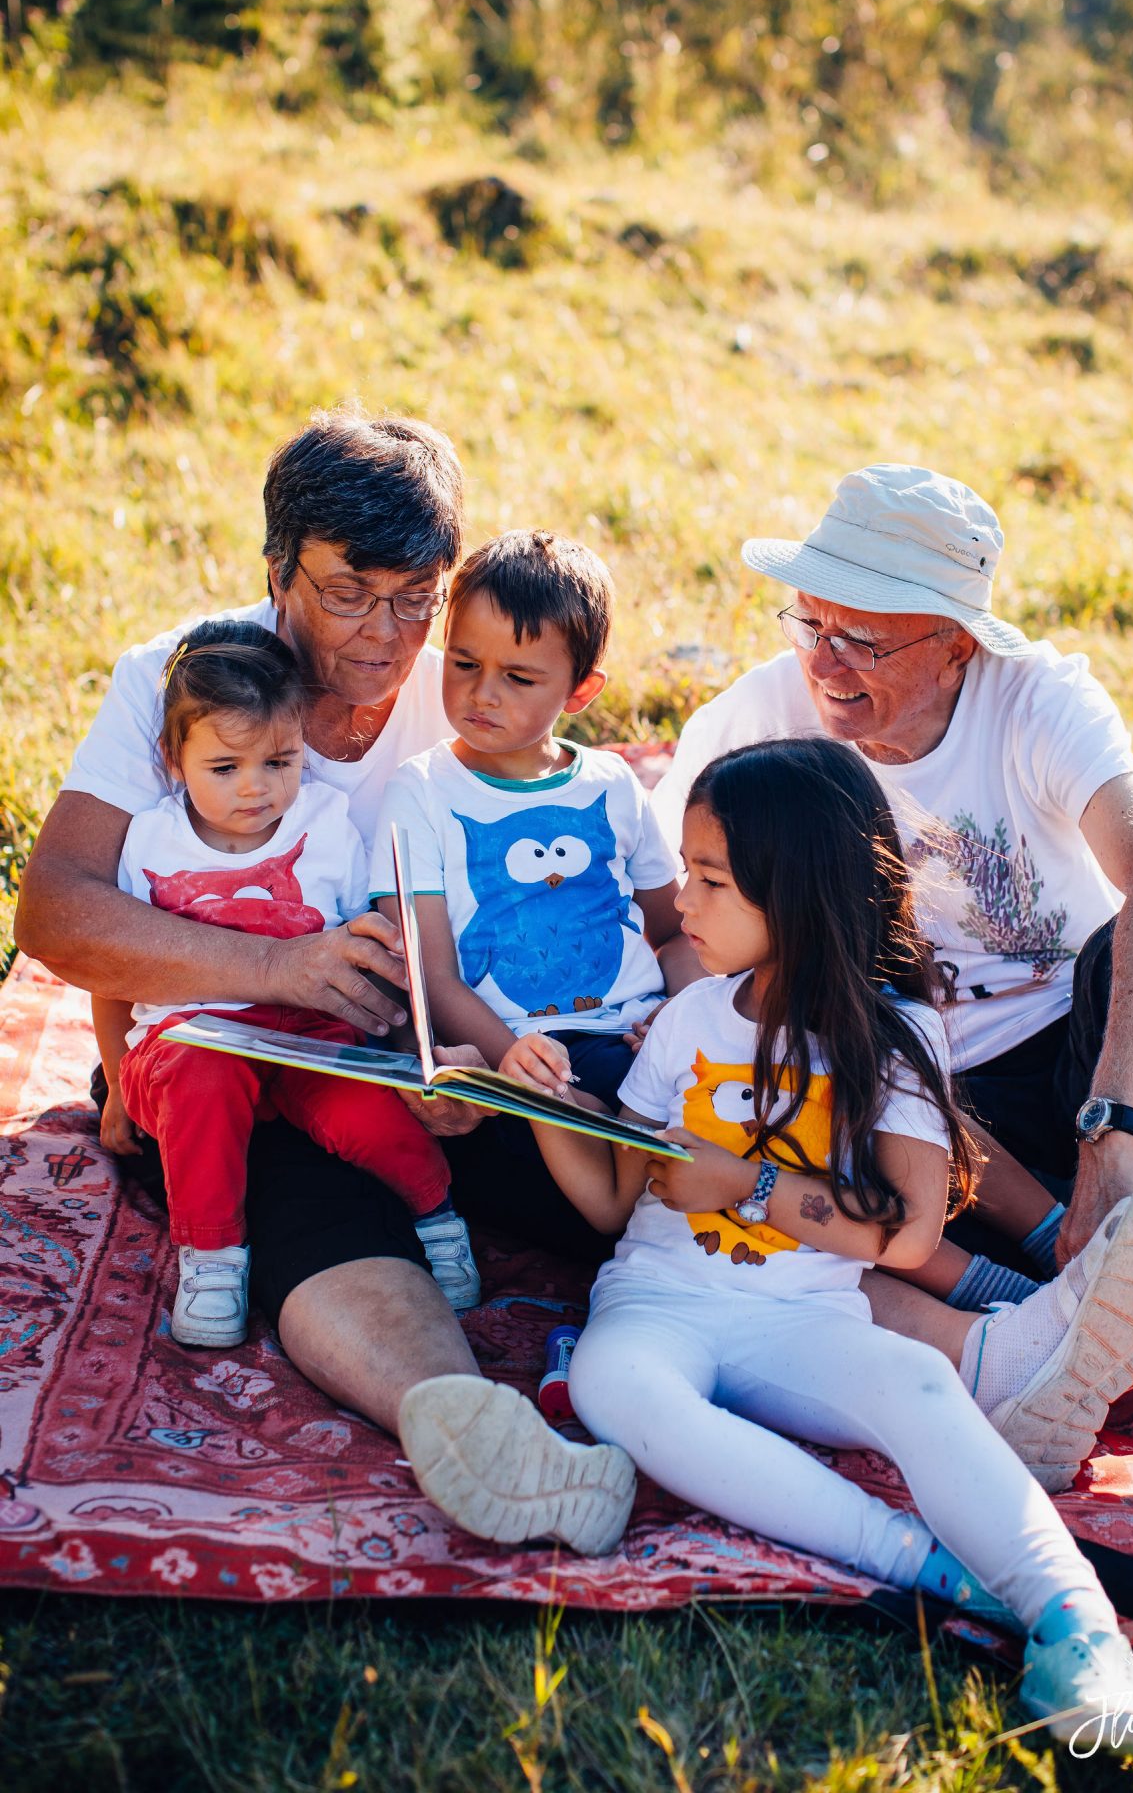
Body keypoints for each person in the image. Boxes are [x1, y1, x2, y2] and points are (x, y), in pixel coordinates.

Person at [652, 463, 1133, 1530]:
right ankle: (1087, 1307)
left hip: (1081, 1061)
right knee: (823, 1183)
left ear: (958, 641)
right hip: (886, 1079)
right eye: (812, 622)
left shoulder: (1036, 699)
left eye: (866, 639)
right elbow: (669, 907)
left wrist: (1112, 1130)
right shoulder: (759, 717)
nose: (825, 662)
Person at [15, 404, 636, 1554]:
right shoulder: (185, 677)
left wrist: (460, 1059)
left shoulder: (462, 688)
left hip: (436, 1038)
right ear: (276, 569)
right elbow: (55, 907)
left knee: (588, 1141)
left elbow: (555, 861)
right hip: (239, 1047)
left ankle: (900, 1311)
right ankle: (471, 1425)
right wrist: (278, 967)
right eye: (349, 590)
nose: (387, 636)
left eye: (417, 596)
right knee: (303, 1186)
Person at [526, 739, 1133, 1755]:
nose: (681, 904)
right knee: (618, 1388)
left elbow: (909, 1230)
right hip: (657, 1302)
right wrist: (545, 1109)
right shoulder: (692, 1015)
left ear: (797, 893)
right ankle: (929, 1567)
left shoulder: (893, 1033)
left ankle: (1078, 1624)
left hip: (806, 1318)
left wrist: (747, 1181)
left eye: (710, 879)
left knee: (919, 1390)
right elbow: (614, 1207)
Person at [116, 617, 477, 1345]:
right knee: (202, 1085)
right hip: (194, 1037)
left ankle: (436, 1214)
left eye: (279, 761)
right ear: (173, 760)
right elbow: (111, 967)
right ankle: (212, 1252)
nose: (256, 789)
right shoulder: (151, 838)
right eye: (226, 768)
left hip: (309, 1033)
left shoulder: (328, 823)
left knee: (368, 1115)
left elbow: (370, 945)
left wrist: (407, 1051)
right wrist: (118, 1085)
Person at [370, 529, 699, 1124]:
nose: (483, 693)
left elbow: (675, 932)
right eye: (464, 663)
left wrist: (685, 1013)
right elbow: (432, 977)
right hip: (502, 1054)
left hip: (628, 1041)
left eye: (519, 678)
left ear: (580, 691)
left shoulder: (612, 783)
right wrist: (514, 1063)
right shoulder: (418, 791)